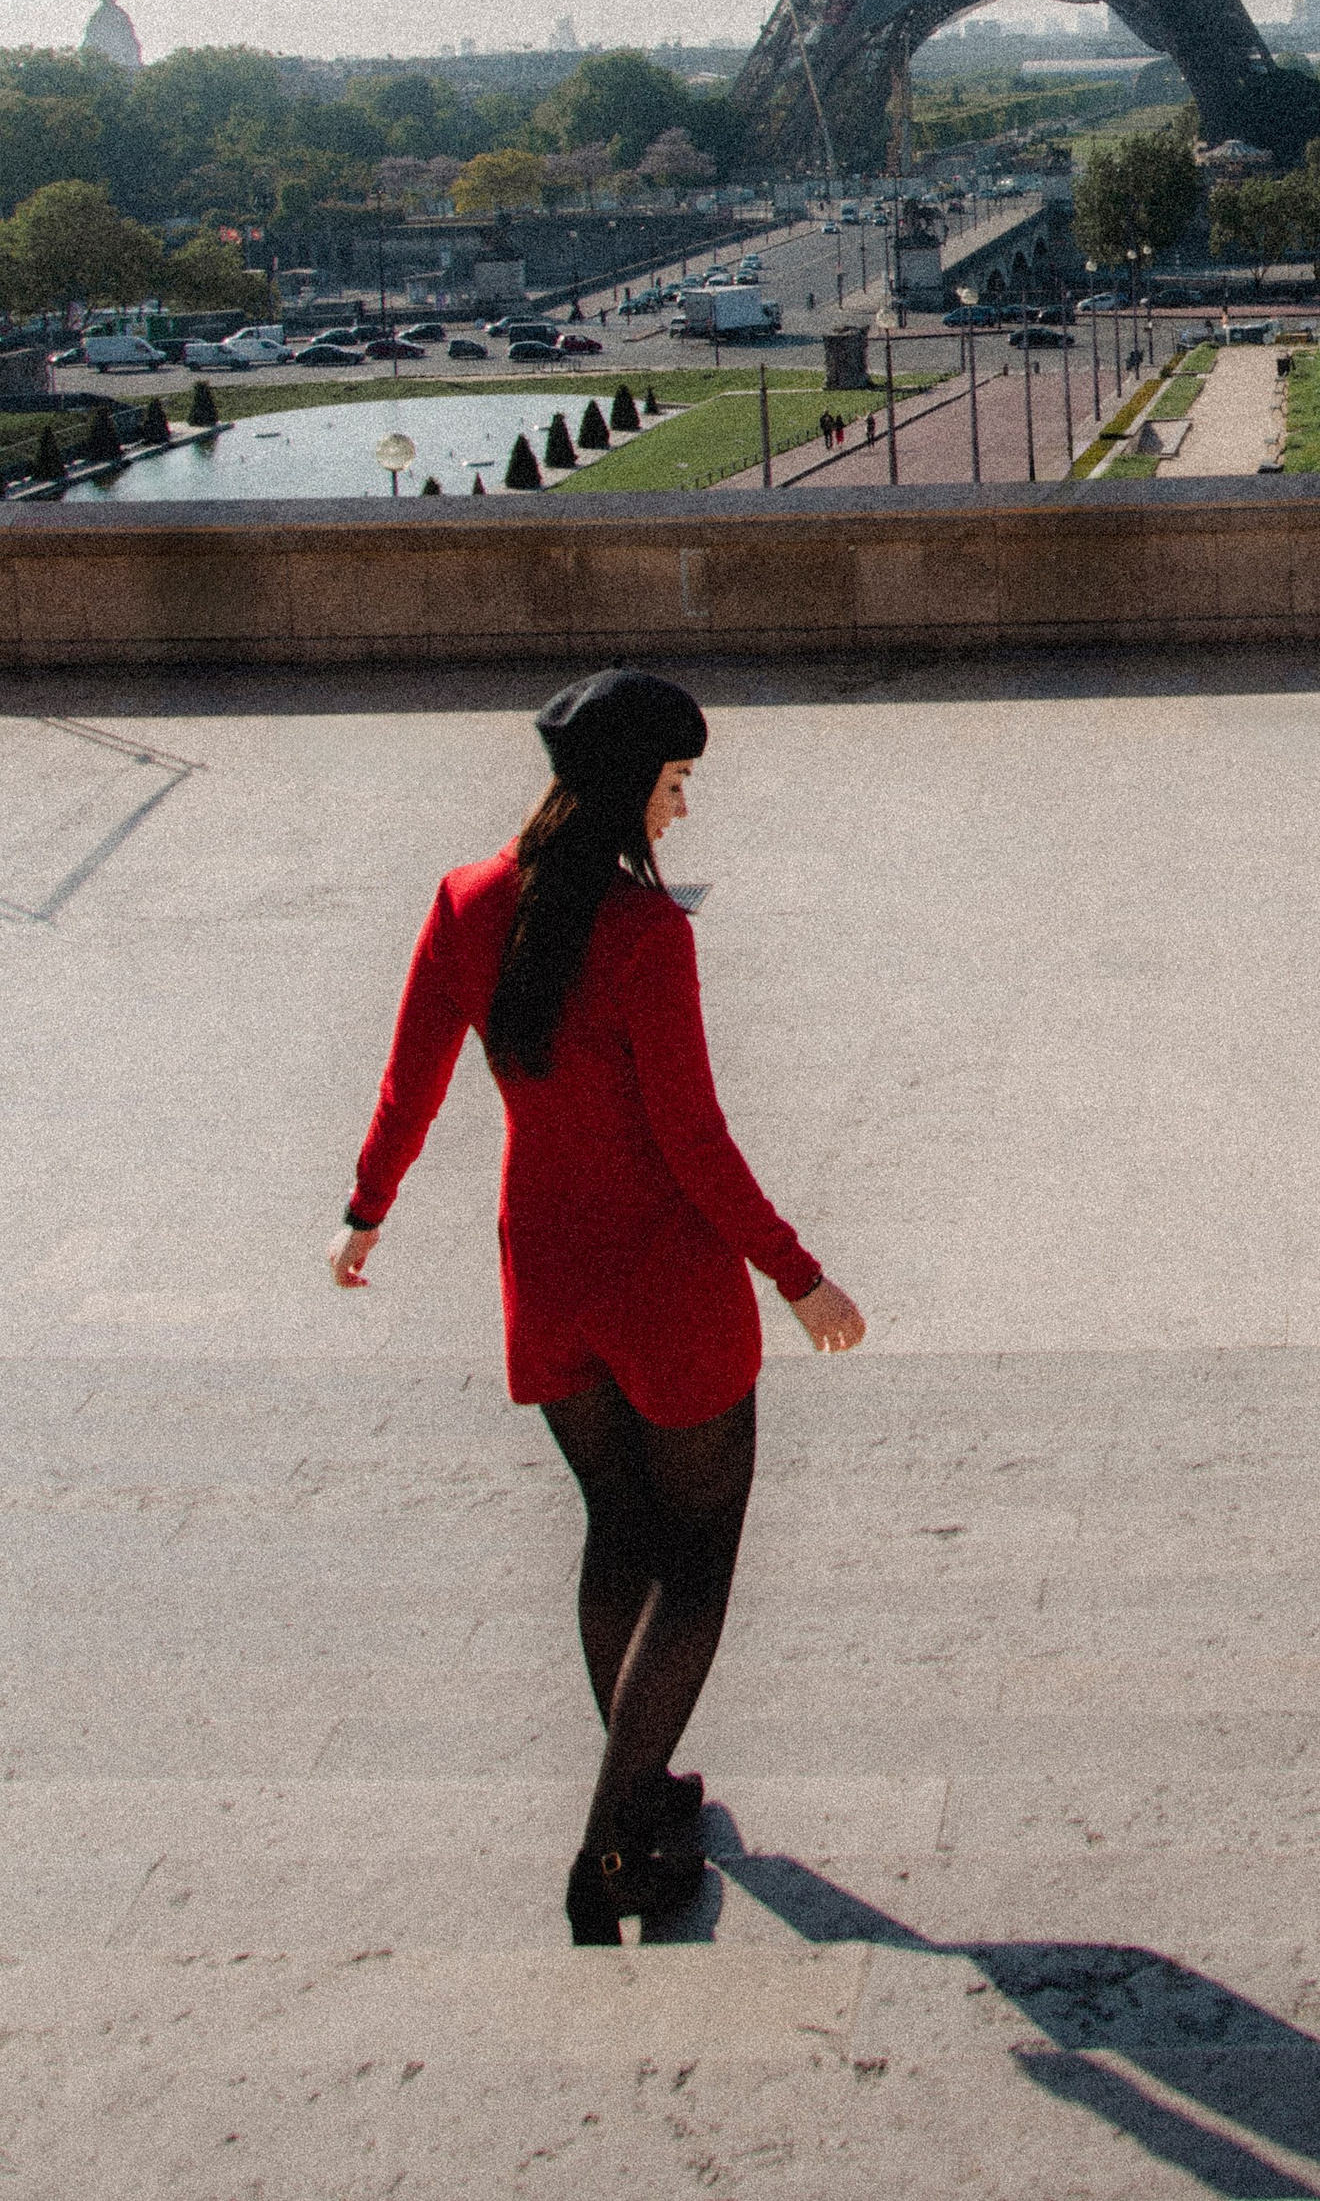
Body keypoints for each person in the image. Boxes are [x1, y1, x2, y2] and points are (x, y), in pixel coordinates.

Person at [329, 668, 863, 1946]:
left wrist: (366, 1211)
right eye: (676, 786)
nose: (681, 811)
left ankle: (644, 1782)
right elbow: (693, 1140)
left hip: (544, 1271)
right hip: (664, 1285)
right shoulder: (644, 935)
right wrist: (798, 1274)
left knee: (614, 1526)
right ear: (631, 785)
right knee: (700, 1554)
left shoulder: (467, 903)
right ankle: (609, 1844)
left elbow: (411, 1074)